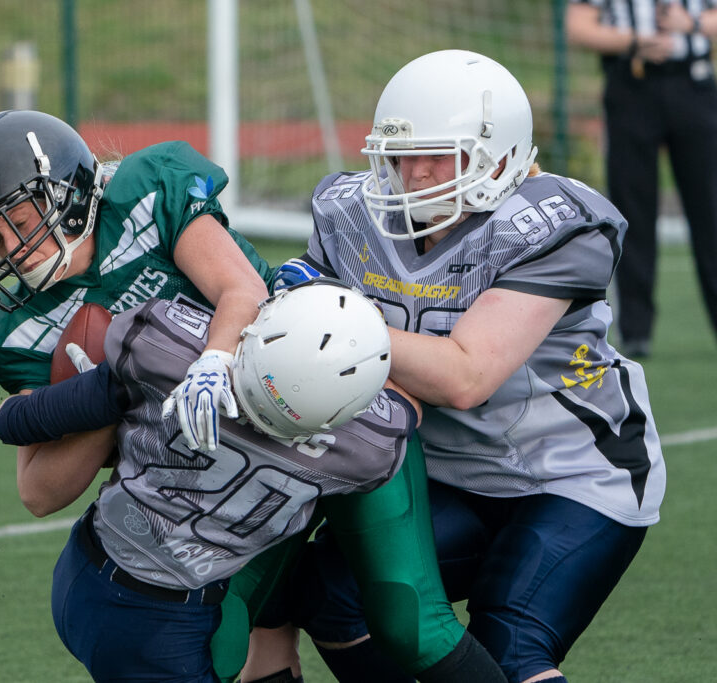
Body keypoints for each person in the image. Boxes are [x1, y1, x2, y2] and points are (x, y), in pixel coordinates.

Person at [269, 50, 668, 683]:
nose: (415, 175)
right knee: (330, 592)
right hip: (449, 473)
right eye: (403, 154)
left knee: (510, 644)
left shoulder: (550, 224)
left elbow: (465, 375)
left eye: (440, 155)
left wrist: (336, 324)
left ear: (501, 156)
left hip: (570, 475)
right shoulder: (353, 216)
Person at [0, 109, 274, 677]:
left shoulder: (147, 191)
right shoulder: (19, 328)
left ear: (63, 192)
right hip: (190, 491)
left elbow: (243, 290)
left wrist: (213, 360)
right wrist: (114, 395)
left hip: (281, 416)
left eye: (15, 222)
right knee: (227, 639)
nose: (9, 252)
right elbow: (38, 491)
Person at [0, 281, 413, 681]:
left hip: (87, 566)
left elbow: (14, 422)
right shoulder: (370, 450)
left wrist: (97, 393)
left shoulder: (161, 349)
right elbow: (407, 409)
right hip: (163, 628)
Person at [565, 1, 717, 358]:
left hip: (693, 87)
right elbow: (578, 25)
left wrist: (689, 22)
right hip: (631, 84)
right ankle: (635, 332)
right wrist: (631, 41)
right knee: (631, 213)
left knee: (709, 212)